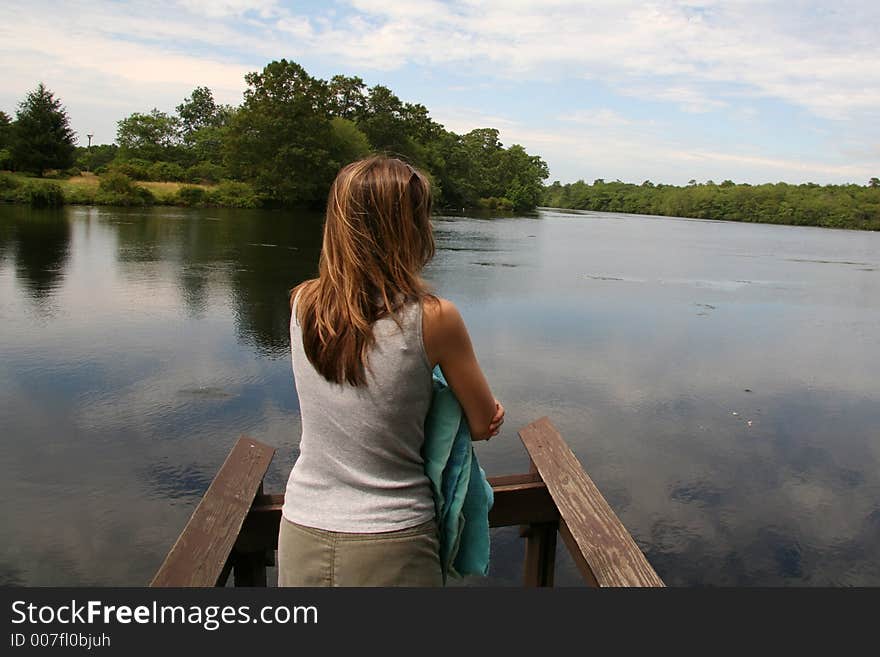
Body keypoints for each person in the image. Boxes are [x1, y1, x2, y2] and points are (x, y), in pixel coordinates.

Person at [277, 156, 504, 587]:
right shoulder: (435, 318)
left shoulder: (302, 304)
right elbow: (481, 422)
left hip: (302, 526)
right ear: (409, 230)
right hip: (394, 538)